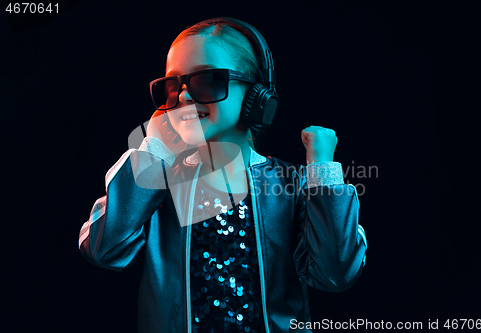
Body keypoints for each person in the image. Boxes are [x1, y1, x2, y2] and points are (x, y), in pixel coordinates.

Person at [78, 17, 367, 333]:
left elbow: (335, 273)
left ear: (257, 96)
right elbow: (105, 247)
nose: (184, 97)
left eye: (206, 80)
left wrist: (322, 170)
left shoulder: (290, 184)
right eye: (172, 86)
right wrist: (155, 150)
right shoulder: (158, 183)